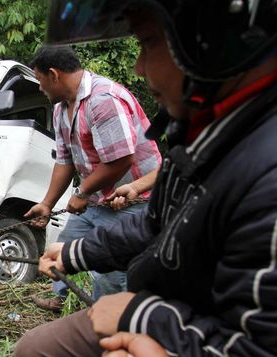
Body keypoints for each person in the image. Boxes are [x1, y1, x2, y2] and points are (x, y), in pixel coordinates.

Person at [15, 0, 277, 355]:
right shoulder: (201, 138)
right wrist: (76, 253)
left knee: (107, 289)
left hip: (188, 325)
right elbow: (157, 227)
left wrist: (140, 316)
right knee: (35, 347)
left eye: (148, 41)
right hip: (168, 301)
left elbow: (257, 343)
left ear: (212, 42)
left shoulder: (265, 174)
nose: (138, 69)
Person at [25, 45, 161, 310]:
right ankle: (62, 298)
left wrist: (82, 193)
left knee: (110, 268)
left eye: (40, 81)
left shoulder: (104, 99)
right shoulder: (61, 109)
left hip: (134, 201)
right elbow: (64, 161)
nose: (40, 88)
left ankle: (109, 317)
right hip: (97, 200)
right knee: (64, 245)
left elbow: (121, 160)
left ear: (54, 75)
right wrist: (47, 204)